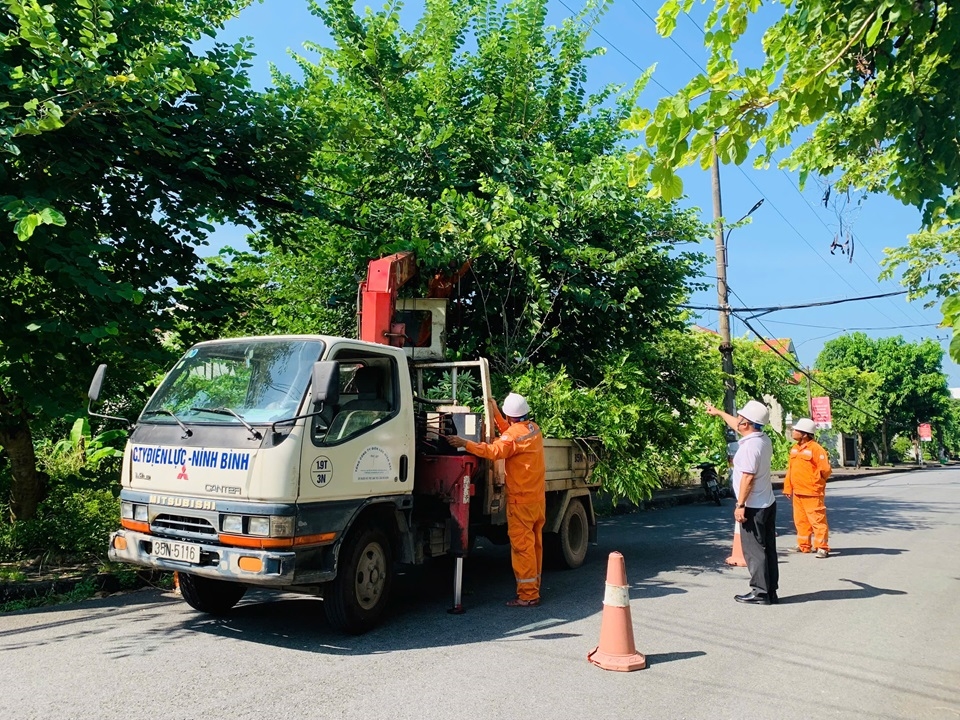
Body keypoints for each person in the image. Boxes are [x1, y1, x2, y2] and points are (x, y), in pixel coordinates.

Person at [445, 392, 546, 607]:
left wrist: (465, 443)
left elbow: (494, 451)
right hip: (537, 500)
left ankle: (528, 596)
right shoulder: (533, 429)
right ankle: (533, 587)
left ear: (511, 417)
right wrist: (496, 413)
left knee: (522, 548)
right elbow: (509, 434)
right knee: (535, 545)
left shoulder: (513, 436)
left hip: (521, 503)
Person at [705, 399, 779, 605]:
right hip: (767, 502)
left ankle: (760, 593)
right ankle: (770, 590)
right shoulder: (762, 439)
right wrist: (719, 412)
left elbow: (747, 478)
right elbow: (736, 424)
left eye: (741, 418)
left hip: (753, 506)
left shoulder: (749, 448)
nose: (737, 420)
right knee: (767, 548)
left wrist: (740, 505)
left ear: (746, 424)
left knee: (754, 551)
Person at [784, 417, 833, 558]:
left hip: (812, 492)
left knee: (817, 520)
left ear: (805, 434)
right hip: (798, 492)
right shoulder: (795, 449)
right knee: (800, 521)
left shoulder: (816, 449)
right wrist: (788, 487)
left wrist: (816, 482)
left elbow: (825, 470)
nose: (793, 432)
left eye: (796, 430)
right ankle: (803, 545)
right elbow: (791, 470)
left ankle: (822, 547)